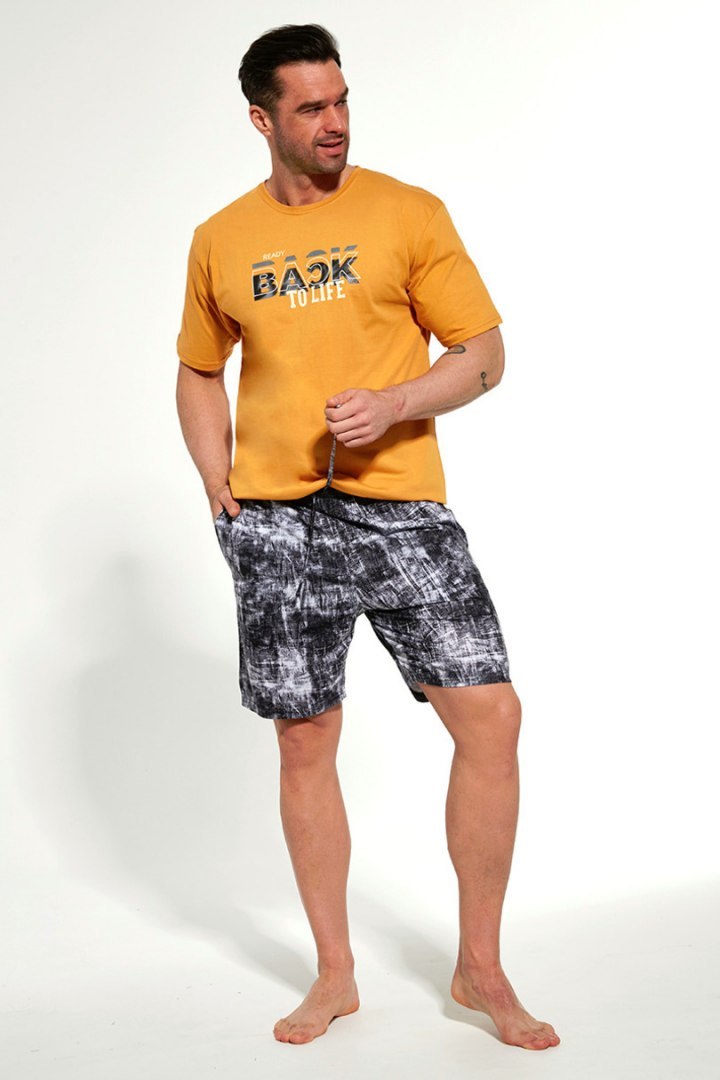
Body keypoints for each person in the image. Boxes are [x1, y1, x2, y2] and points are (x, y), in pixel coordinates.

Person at [175, 23, 560, 1052]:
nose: (335, 120)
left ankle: (480, 968)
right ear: (262, 119)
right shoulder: (221, 237)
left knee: (490, 718)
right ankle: (335, 973)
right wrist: (215, 479)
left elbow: (483, 353)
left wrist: (395, 403)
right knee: (305, 739)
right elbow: (200, 367)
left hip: (399, 508)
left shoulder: (407, 212)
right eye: (310, 106)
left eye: (342, 99)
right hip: (277, 521)